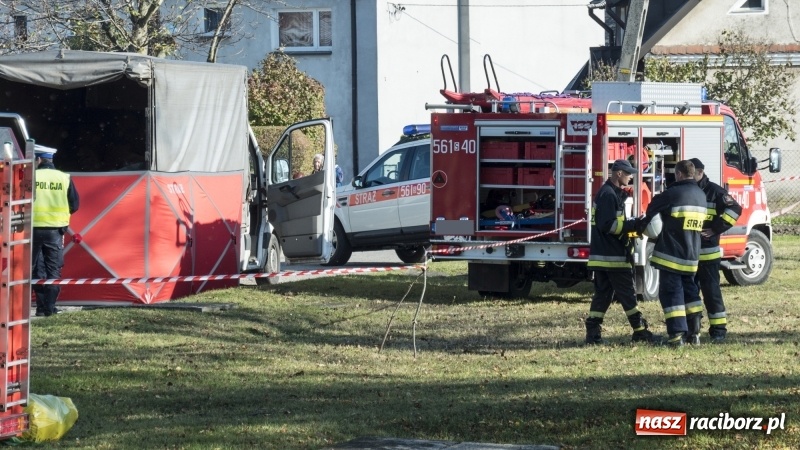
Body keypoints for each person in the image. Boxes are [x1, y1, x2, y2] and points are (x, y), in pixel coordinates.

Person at [585, 159, 657, 344]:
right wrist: (633, 224)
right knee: (627, 295)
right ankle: (640, 331)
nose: (631, 176)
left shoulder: (610, 193)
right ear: (618, 173)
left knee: (603, 296)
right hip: (613, 257)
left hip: (604, 256)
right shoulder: (608, 195)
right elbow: (608, 225)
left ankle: (593, 333)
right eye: (628, 173)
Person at [637, 160, 707, 346]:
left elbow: (651, 212)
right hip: (691, 255)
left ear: (679, 174)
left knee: (672, 294)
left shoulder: (672, 194)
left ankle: (676, 336)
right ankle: (694, 334)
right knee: (691, 293)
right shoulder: (701, 195)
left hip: (671, 255)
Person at [687, 158, 742, 344]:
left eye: (691, 173)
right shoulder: (687, 190)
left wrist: (716, 228)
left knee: (711, 291)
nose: (689, 177)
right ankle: (693, 329)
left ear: (700, 172)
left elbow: (735, 208)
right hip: (689, 252)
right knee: (690, 292)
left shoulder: (715, 191)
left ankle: (718, 329)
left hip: (708, 252)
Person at [32, 145, 80, 317]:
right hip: (55, 231)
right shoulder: (64, 177)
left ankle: (39, 306)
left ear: (38, 159)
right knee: (53, 270)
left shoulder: (31, 176)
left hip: (33, 230)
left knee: (36, 269)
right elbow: (74, 205)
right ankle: (50, 308)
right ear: (51, 160)